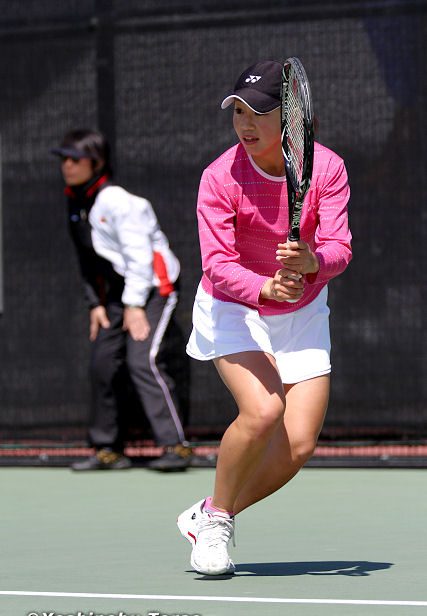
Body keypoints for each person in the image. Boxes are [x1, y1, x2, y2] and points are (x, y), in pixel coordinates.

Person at [177, 61, 352, 574]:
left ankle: (213, 512)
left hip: (302, 311)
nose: (245, 123)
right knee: (263, 411)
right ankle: (216, 527)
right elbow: (218, 264)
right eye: (238, 112)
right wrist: (265, 287)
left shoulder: (328, 169)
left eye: (258, 112)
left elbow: (339, 247)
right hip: (233, 305)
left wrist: (313, 262)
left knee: (297, 445)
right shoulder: (219, 176)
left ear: (291, 119)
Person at [52, 129, 192, 471]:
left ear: (96, 163)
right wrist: (96, 304)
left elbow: (140, 257)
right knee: (102, 362)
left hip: (153, 287)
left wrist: (134, 306)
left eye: (75, 159)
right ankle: (108, 450)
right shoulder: (76, 200)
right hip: (116, 295)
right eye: (64, 159)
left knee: (142, 361)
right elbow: (87, 259)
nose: (67, 165)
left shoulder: (117, 201)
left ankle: (176, 446)